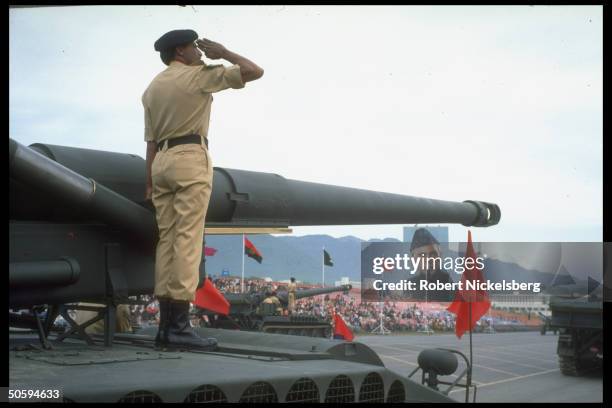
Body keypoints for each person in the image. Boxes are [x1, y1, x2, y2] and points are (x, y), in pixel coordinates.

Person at [142, 29, 264, 351]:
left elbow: (151, 141)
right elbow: (255, 71)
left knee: (166, 241)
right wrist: (223, 52)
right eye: (194, 47)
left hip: (161, 163)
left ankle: (165, 327)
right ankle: (179, 327)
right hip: (189, 157)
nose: (200, 52)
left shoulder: (153, 87)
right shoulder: (197, 76)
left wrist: (150, 181)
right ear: (180, 51)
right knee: (187, 240)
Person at [407, 228, 453, 302]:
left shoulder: (449, 282)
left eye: (433, 254)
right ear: (413, 258)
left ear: (439, 255)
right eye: (422, 255)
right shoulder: (409, 284)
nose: (428, 259)